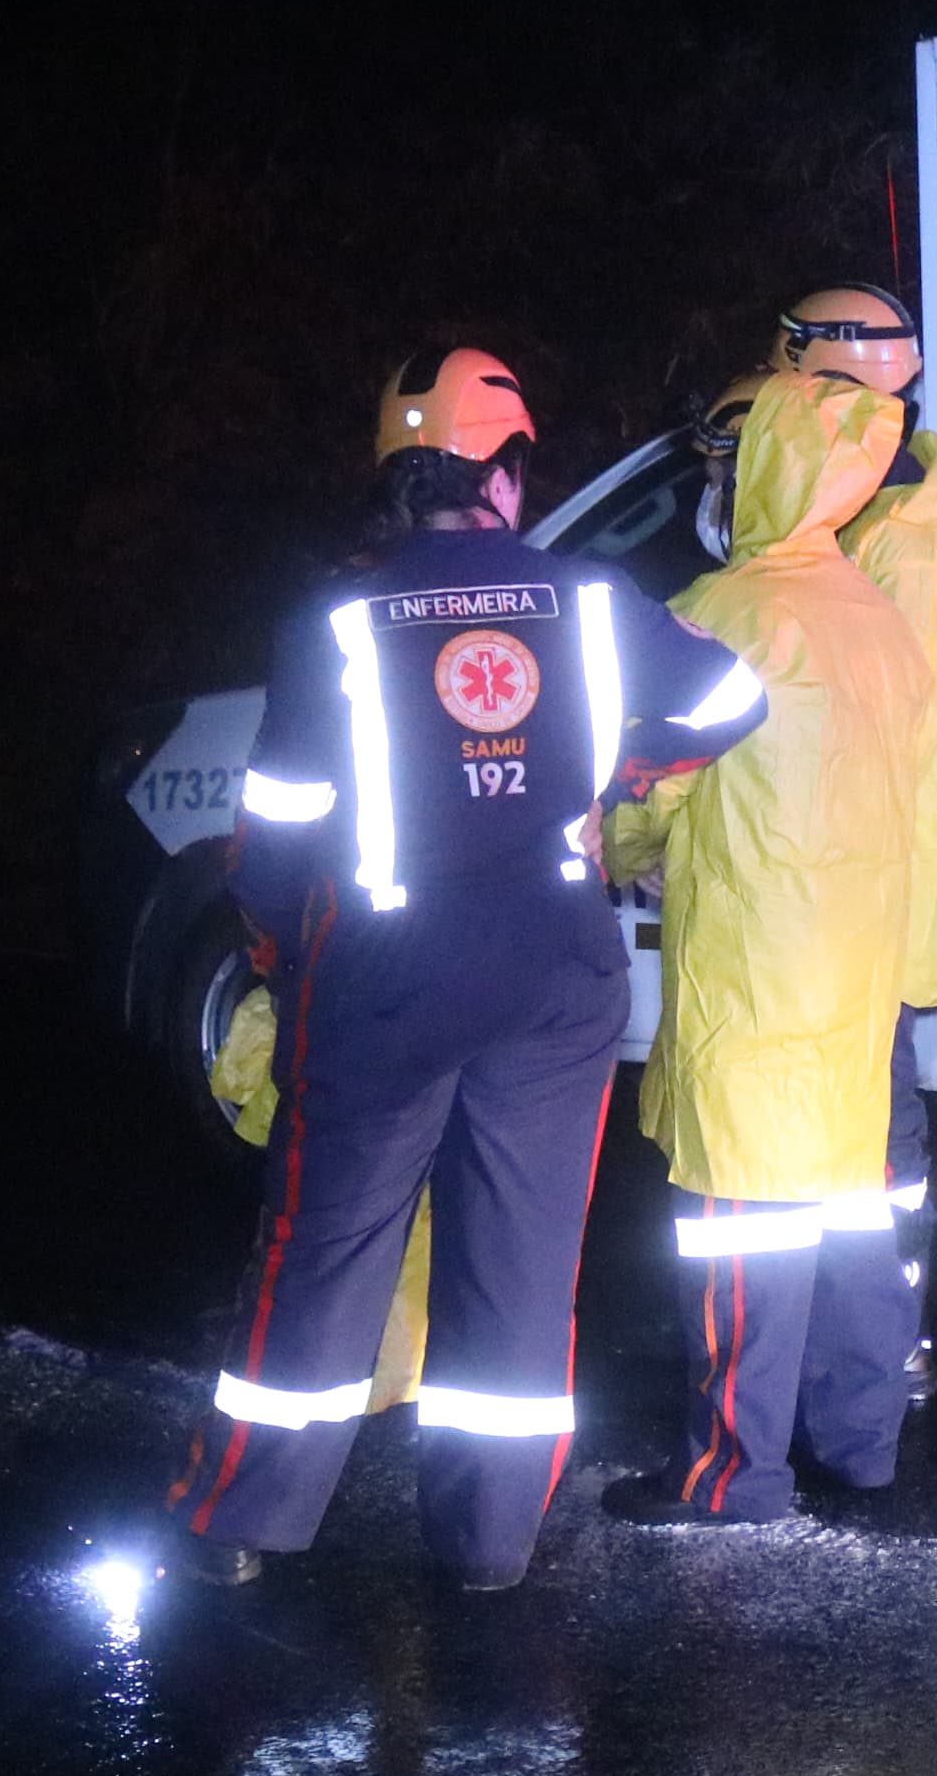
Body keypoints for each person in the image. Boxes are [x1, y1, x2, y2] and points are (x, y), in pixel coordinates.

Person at [162, 346, 675, 1591]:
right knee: (518, 1269)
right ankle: (489, 1546)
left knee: (325, 1251)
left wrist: (287, 957)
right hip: (556, 983)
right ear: (502, 474)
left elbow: (277, 829)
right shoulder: (587, 603)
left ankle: (248, 1524)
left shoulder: (331, 617)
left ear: (395, 479)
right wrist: (617, 759)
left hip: (384, 982)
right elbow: (727, 700)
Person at [598, 365, 935, 1525]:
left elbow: (648, 786)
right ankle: (861, 1441)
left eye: (727, 467)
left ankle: (731, 1476)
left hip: (752, 972)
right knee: (850, 1219)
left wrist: (611, 839)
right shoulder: (883, 620)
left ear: (766, 472)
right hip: (856, 979)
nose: (717, 486)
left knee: (740, 1225)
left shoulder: (724, 614)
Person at [783, 287, 937, 1421]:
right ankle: (872, 1343)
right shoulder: (885, 518)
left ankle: (888, 1349)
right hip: (874, 871)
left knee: (875, 1128)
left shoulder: (898, 540)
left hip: (873, 877)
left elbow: (869, 727)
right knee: (870, 1117)